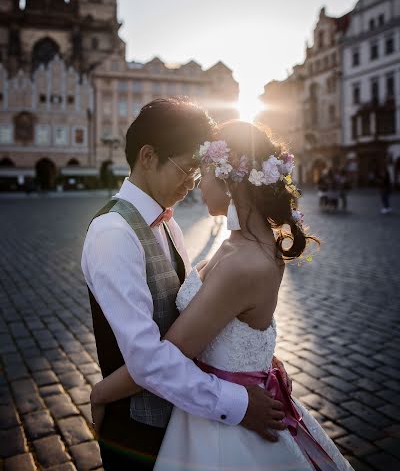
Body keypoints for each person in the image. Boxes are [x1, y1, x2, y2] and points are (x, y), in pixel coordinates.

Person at [90, 119, 354, 471]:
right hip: (198, 408)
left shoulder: (242, 262)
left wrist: (102, 392)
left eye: (202, 176)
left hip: (219, 427)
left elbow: (169, 351)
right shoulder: (235, 244)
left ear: (229, 181)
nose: (196, 186)